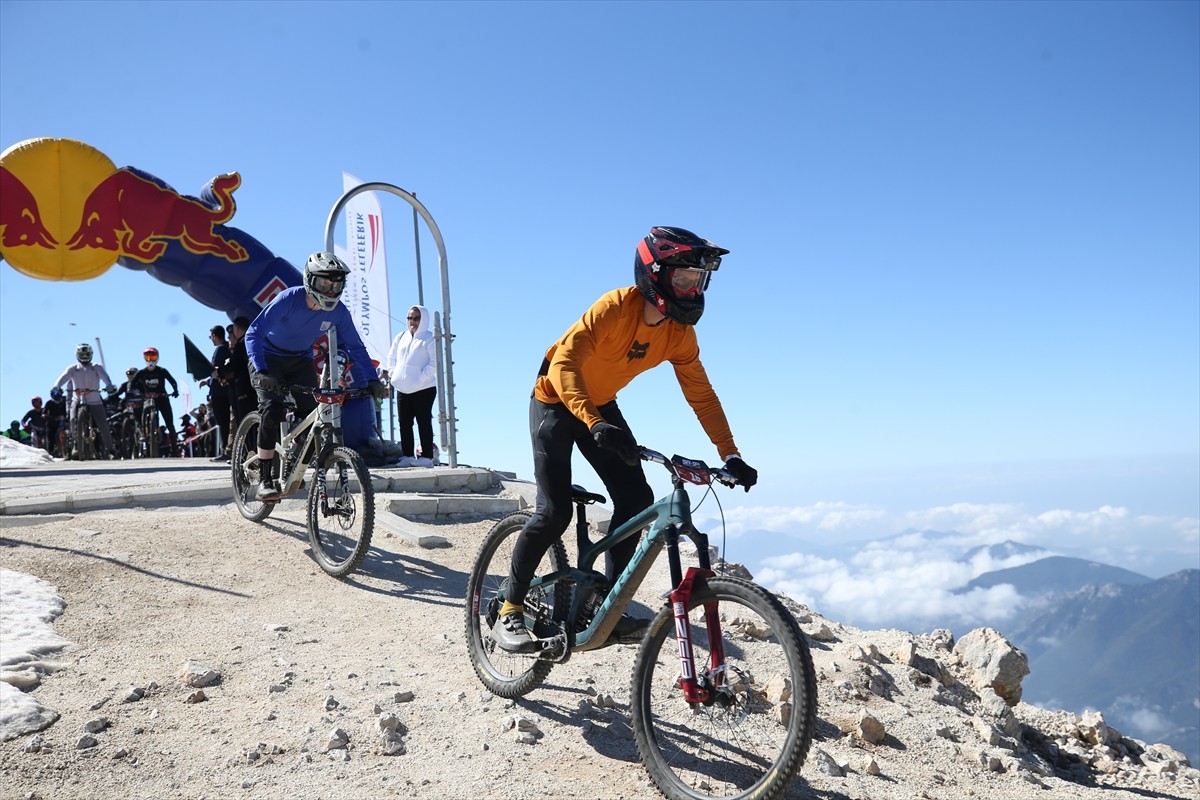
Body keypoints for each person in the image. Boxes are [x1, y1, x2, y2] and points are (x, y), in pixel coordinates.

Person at [491, 226, 759, 653]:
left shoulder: (679, 334)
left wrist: (730, 453)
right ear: (655, 275)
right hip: (556, 401)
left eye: (698, 281)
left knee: (636, 498)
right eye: (684, 279)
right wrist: (594, 422)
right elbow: (564, 365)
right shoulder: (615, 307)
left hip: (600, 407)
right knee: (554, 511)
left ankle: (603, 608)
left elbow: (702, 396)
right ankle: (509, 608)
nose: (693, 289)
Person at [245, 252, 388, 502]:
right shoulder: (289, 298)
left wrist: (372, 380)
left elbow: (355, 347)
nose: (331, 290)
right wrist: (263, 370)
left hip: (300, 360)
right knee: (273, 409)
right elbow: (253, 333)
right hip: (268, 358)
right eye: (325, 284)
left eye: (336, 285)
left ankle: (292, 465)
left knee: (317, 417)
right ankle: (266, 480)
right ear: (310, 280)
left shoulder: (338, 312)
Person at [385, 304, 439, 468]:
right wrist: (394, 376)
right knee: (404, 422)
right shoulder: (401, 337)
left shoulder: (430, 338)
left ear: (423, 319)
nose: (413, 321)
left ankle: (427, 457)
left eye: (416, 318)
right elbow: (391, 358)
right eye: (410, 318)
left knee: (423, 421)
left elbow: (434, 363)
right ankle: (407, 455)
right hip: (402, 388)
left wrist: (419, 379)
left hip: (424, 388)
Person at [53, 343, 118, 459]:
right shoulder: (72, 369)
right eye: (82, 354)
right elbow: (62, 378)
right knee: (72, 419)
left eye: (87, 354)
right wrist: (56, 387)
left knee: (103, 425)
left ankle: (110, 450)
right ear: (77, 355)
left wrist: (109, 386)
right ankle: (75, 446)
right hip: (77, 400)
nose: (84, 357)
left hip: (95, 401)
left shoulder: (96, 367)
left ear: (91, 355)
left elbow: (106, 378)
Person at [131, 347, 180, 455]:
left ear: (157, 358)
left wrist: (175, 390)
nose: (150, 360)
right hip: (148, 399)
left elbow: (173, 381)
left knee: (169, 423)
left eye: (153, 357)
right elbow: (132, 384)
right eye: (147, 357)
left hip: (162, 398)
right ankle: (144, 434)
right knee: (144, 412)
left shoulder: (162, 371)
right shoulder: (142, 372)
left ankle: (175, 448)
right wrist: (136, 392)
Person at [207, 324, 232, 460]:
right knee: (229, 422)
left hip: (219, 392)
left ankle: (225, 451)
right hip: (228, 391)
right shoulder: (229, 347)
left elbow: (215, 369)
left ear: (215, 336)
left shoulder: (220, 349)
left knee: (222, 422)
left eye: (211, 336)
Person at [44, 387, 68, 457]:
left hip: (65, 420)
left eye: (59, 393)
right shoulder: (49, 403)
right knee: (50, 437)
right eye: (55, 393)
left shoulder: (65, 400)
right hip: (53, 422)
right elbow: (44, 413)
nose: (57, 395)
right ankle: (51, 452)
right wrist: (49, 417)